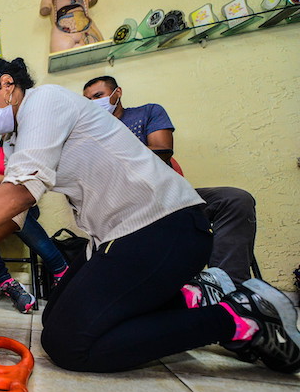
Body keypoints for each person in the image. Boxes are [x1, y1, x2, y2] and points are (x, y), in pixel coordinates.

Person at [0, 57, 300, 375]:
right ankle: (192, 296)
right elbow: (13, 217)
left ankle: (236, 319)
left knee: (70, 346)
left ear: (7, 85)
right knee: (55, 316)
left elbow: (15, 195)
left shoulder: (44, 101)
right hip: (121, 238)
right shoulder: (16, 141)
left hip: (162, 227)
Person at [82, 75, 259, 285]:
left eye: (98, 96)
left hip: (170, 198)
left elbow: (163, 151)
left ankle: (226, 287)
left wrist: (109, 154)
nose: (94, 103)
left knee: (235, 199)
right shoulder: (88, 132)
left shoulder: (148, 112)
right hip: (125, 208)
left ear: (117, 93)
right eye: (88, 100)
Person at [0, 139, 68, 313]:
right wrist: (11, 182)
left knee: (15, 213)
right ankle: (9, 285)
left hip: (23, 207)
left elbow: (32, 181)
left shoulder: (25, 150)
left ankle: (61, 272)